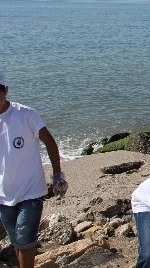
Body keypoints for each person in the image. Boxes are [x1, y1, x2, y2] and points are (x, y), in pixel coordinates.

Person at [0, 73, 68, 268]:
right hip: (4, 194)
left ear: (5, 90)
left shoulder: (26, 114)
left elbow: (50, 143)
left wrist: (57, 175)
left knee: (25, 241)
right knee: (17, 243)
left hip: (31, 192)